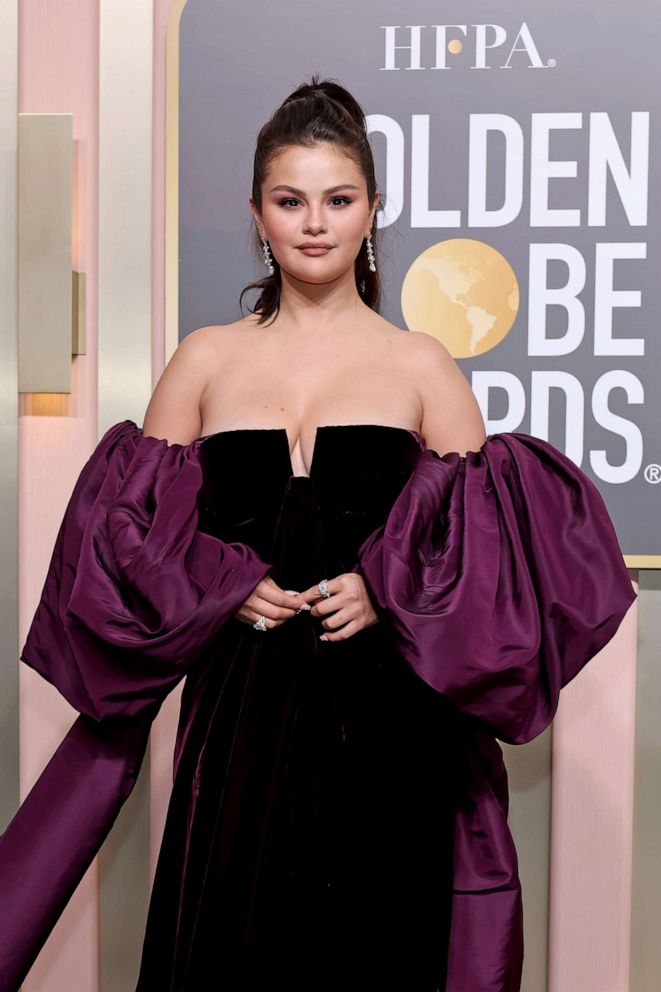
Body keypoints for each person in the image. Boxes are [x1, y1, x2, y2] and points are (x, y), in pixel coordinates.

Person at [0, 76, 636, 992]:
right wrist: (218, 585)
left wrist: (387, 588)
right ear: (256, 213)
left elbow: (485, 559)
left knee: (379, 950)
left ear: (374, 210)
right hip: (239, 720)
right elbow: (122, 545)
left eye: (337, 200)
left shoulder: (420, 364)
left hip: (387, 723)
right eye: (289, 201)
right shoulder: (205, 359)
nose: (313, 223)